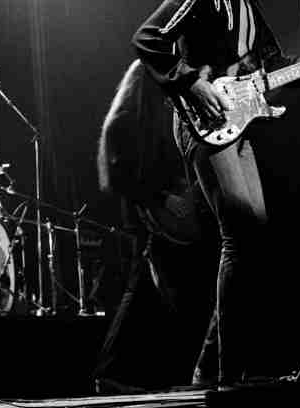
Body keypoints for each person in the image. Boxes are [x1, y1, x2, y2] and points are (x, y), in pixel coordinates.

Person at [132, 0, 293, 389]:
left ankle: (211, 367)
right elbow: (148, 37)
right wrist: (189, 82)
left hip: (240, 123)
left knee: (255, 239)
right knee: (240, 234)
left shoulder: (249, 3)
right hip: (204, 120)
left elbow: (271, 72)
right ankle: (227, 371)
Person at [93, 59, 216, 394]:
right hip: (151, 213)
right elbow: (123, 174)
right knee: (146, 288)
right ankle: (113, 372)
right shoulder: (128, 120)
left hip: (162, 211)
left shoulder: (149, 111)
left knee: (150, 290)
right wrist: (159, 200)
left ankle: (121, 374)